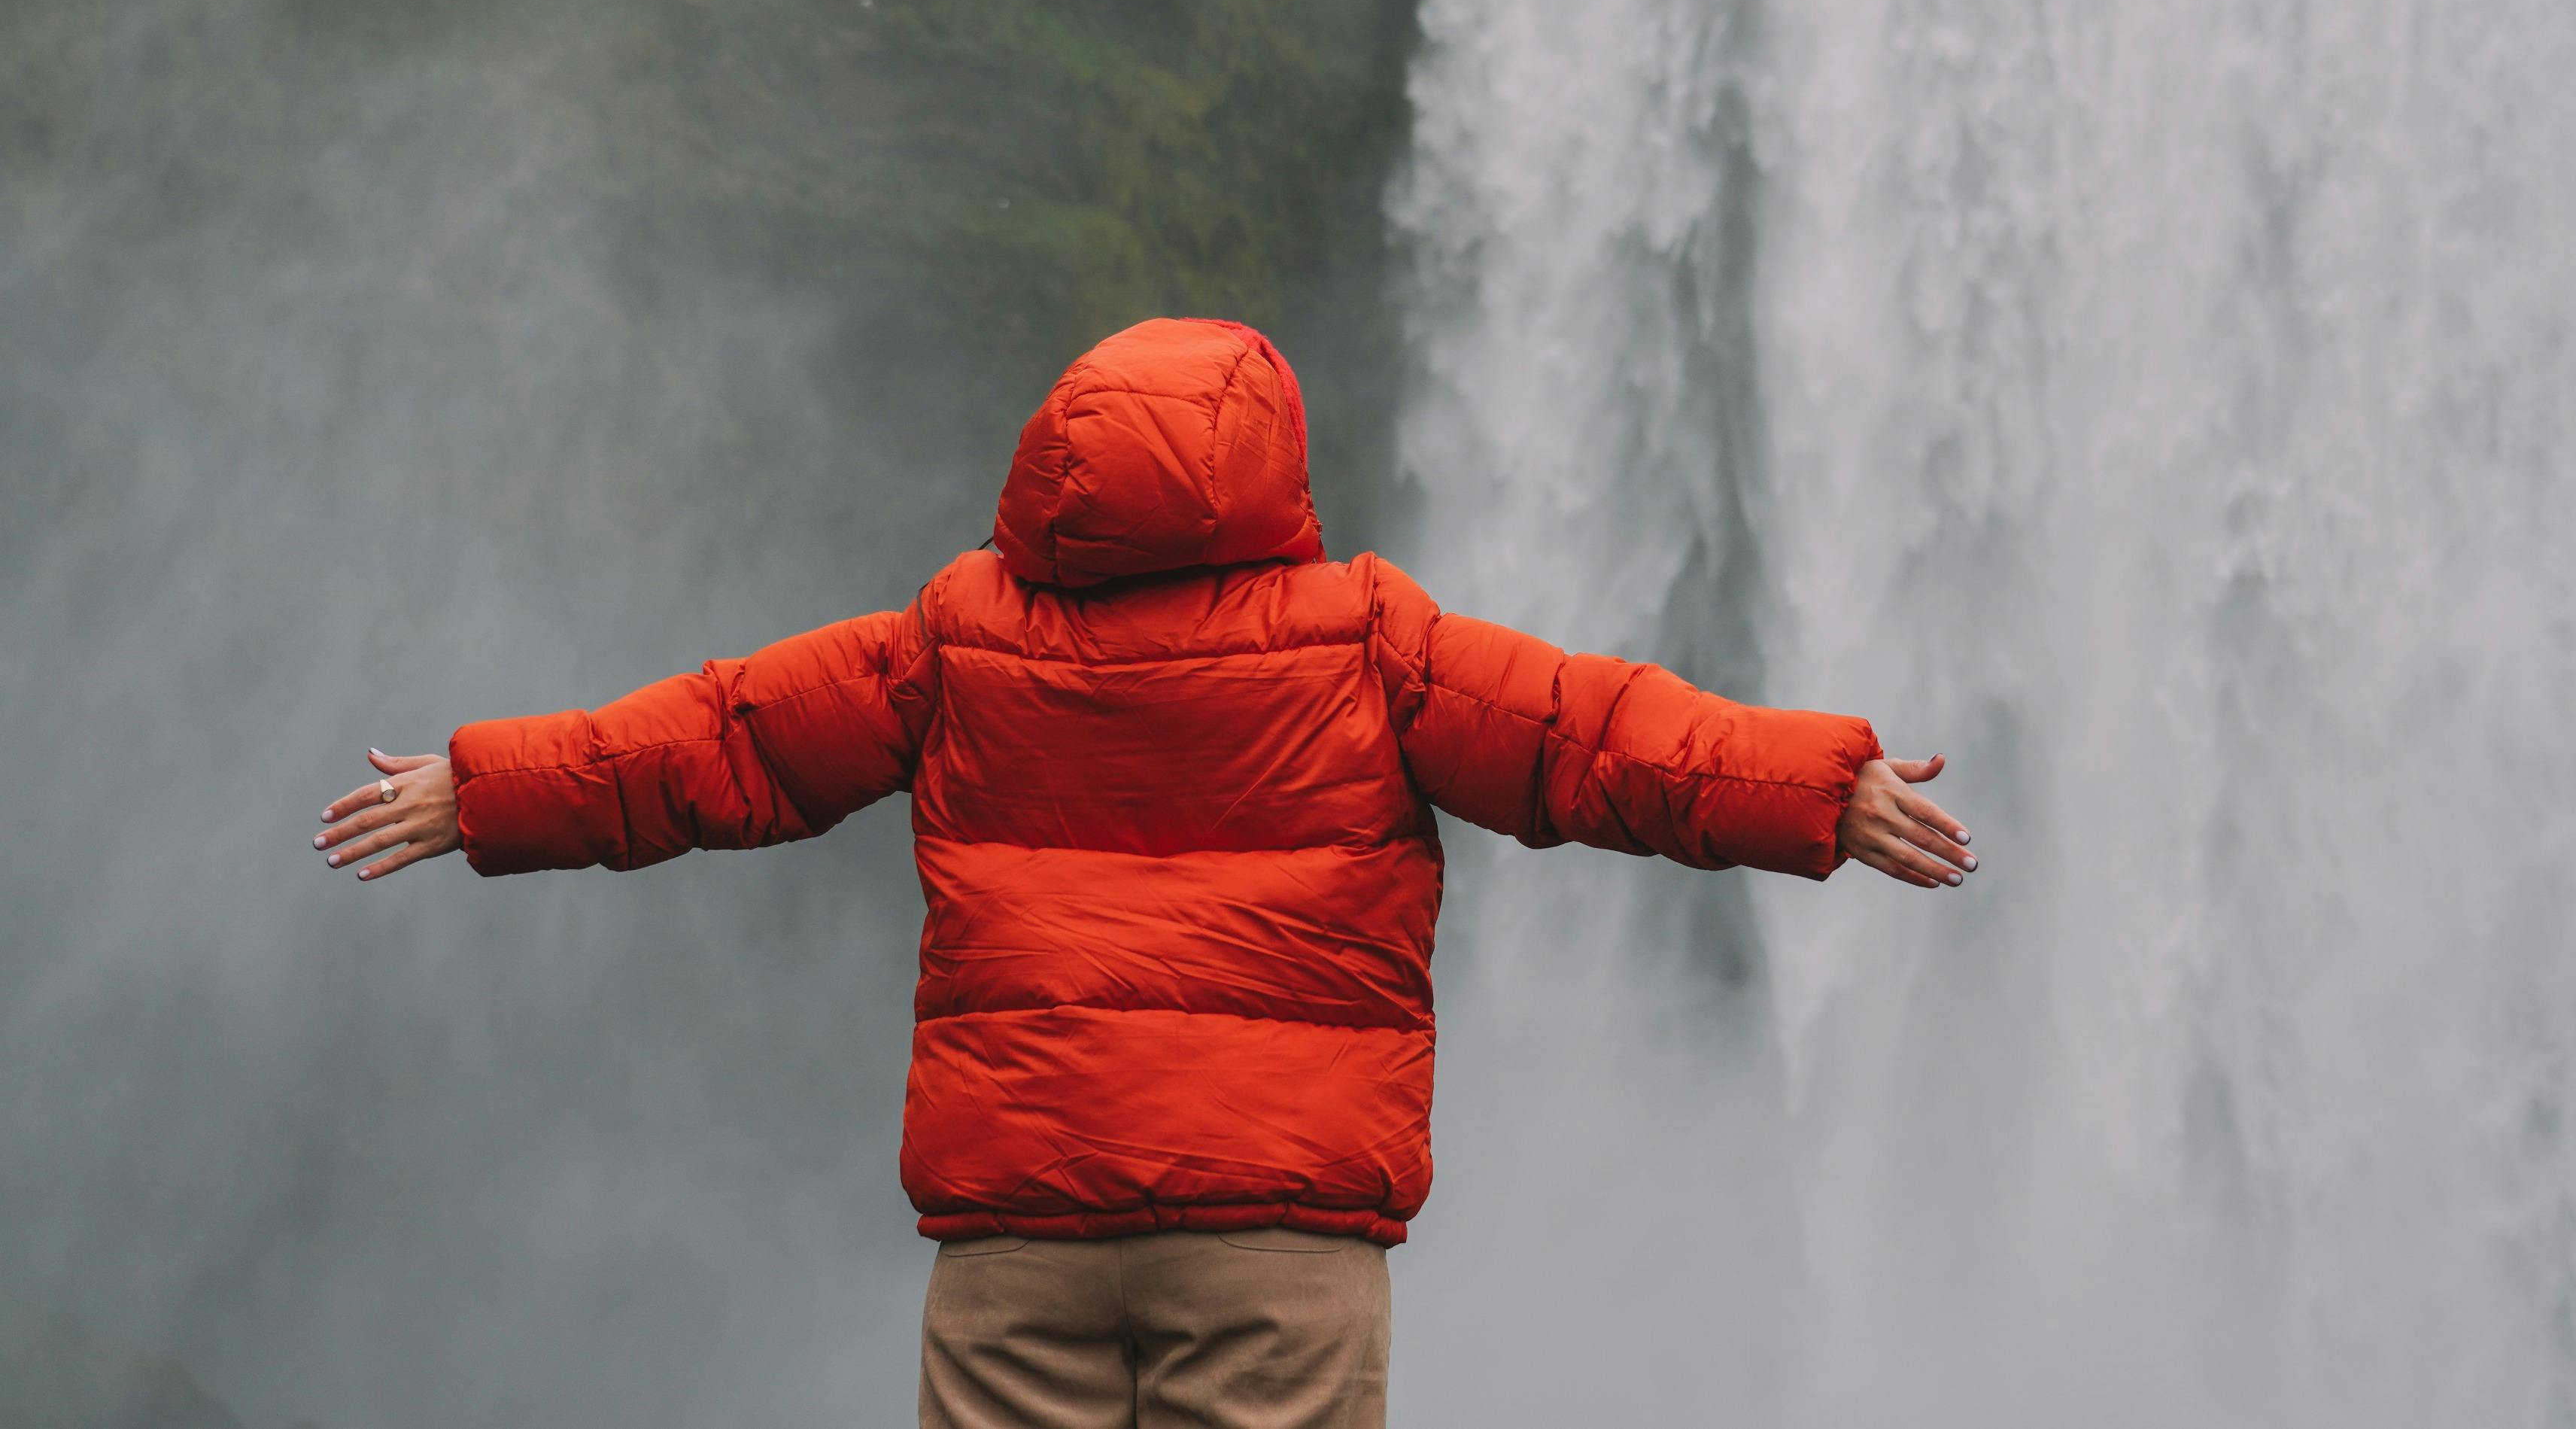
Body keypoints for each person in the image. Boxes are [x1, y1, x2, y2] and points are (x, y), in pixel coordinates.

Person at [311, 317, 1975, 1429]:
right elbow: (1596, 740)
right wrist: (1821, 793)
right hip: (1278, 1239)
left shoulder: (956, 638)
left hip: (1018, 1229)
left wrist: (489, 788)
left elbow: (720, 741)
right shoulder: (1372, 640)